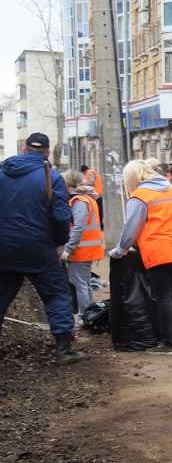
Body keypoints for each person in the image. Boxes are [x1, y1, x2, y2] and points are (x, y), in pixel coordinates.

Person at [0, 132, 82, 364]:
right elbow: (61, 216)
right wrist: (60, 242)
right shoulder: (50, 176)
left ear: (24, 149)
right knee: (56, 294)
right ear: (46, 152)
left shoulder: (2, 173)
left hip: (4, 247)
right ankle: (64, 350)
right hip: (39, 248)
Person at [109, 159, 172, 355]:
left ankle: (169, 343)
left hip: (161, 251)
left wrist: (120, 250)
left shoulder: (140, 196)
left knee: (162, 295)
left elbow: (131, 228)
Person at [61, 169, 104, 321]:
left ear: (68, 184)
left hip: (81, 251)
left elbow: (78, 227)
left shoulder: (79, 201)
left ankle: (84, 316)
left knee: (79, 283)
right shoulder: (87, 199)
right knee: (84, 282)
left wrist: (68, 249)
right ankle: (89, 314)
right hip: (87, 249)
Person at [80, 163, 104, 228]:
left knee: (98, 213)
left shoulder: (90, 172)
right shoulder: (91, 173)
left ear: (84, 171)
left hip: (96, 196)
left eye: (83, 174)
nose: (84, 175)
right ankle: (100, 226)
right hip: (97, 195)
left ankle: (100, 227)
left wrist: (82, 183)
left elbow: (91, 182)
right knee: (98, 213)